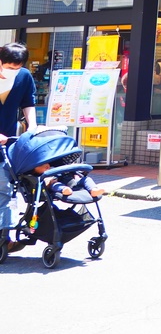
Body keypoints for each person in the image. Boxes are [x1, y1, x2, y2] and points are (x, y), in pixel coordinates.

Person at [1, 42, 39, 252]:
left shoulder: (23, 76)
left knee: (5, 189)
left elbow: (28, 103)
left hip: (6, 143)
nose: (12, 71)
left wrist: (32, 126)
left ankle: (5, 238)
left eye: (17, 68)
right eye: (8, 67)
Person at [34, 161, 105, 200]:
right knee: (55, 185)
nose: (46, 166)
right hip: (58, 183)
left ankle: (93, 190)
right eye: (41, 165)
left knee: (87, 179)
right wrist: (50, 182)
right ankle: (65, 190)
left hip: (72, 181)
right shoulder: (43, 176)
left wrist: (76, 175)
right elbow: (45, 184)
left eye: (46, 163)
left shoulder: (54, 167)